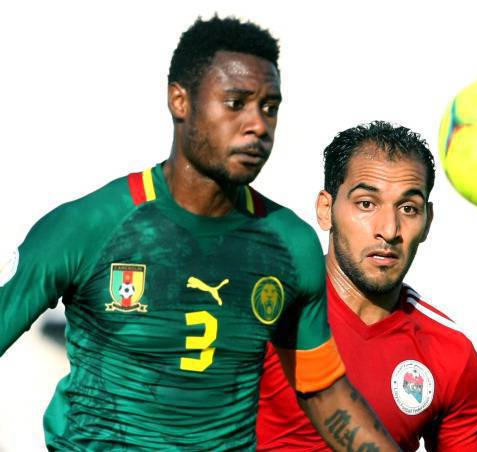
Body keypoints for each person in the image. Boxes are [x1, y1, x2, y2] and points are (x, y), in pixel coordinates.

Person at [0, 17, 399, 451]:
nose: (258, 125)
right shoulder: (86, 226)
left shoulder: (290, 244)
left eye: (269, 107)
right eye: (235, 103)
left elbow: (323, 391)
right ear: (180, 101)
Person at [257, 121, 477, 452]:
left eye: (408, 208)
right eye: (366, 203)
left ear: (427, 221)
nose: (389, 229)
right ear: (326, 210)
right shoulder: (260, 310)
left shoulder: (450, 353)